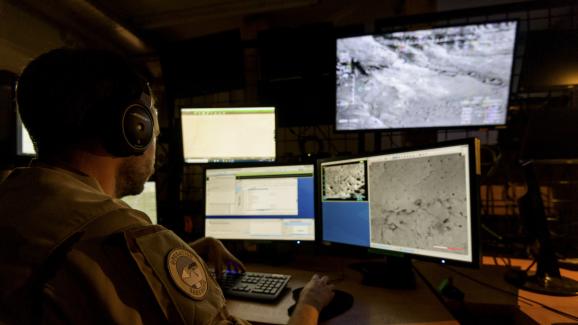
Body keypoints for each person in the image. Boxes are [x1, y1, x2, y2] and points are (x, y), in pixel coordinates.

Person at [0, 48, 334, 324]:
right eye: (153, 123)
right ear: (134, 129)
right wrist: (309, 303)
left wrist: (173, 256)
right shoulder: (121, 239)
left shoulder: (13, 201)